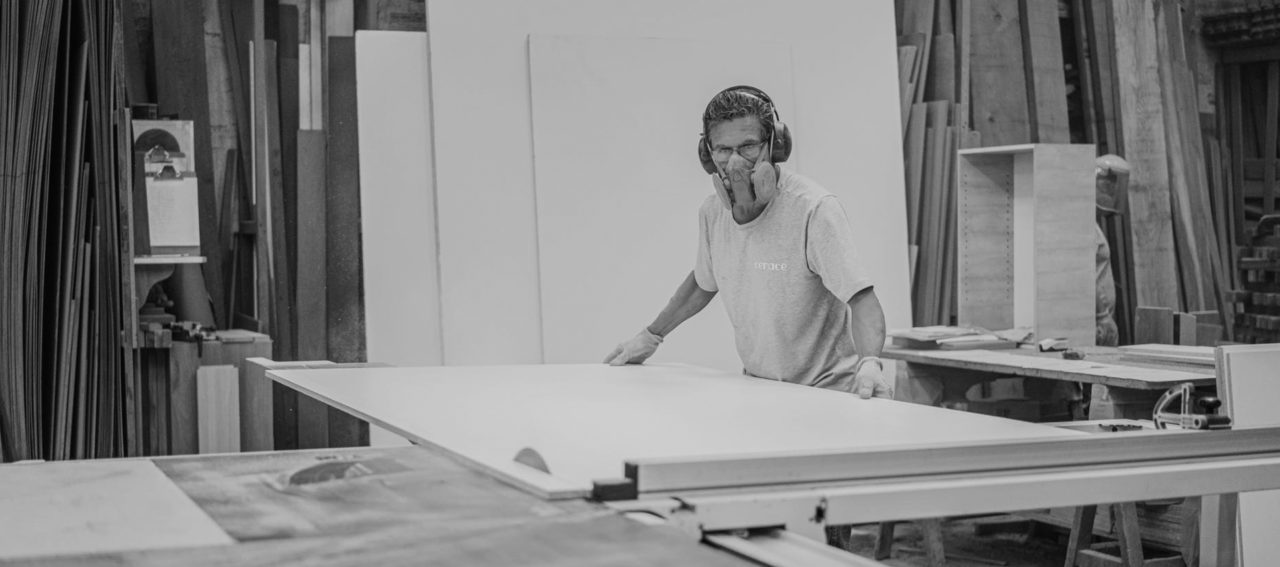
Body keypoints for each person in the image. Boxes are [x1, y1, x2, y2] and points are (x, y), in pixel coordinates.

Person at [603, 85, 892, 400]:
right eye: (723, 150)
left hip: (827, 391)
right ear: (707, 154)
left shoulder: (813, 209)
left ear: (775, 146)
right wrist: (650, 336)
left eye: (749, 146)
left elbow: (860, 297)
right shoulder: (713, 213)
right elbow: (702, 282)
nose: (735, 163)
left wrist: (870, 362)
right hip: (763, 387)